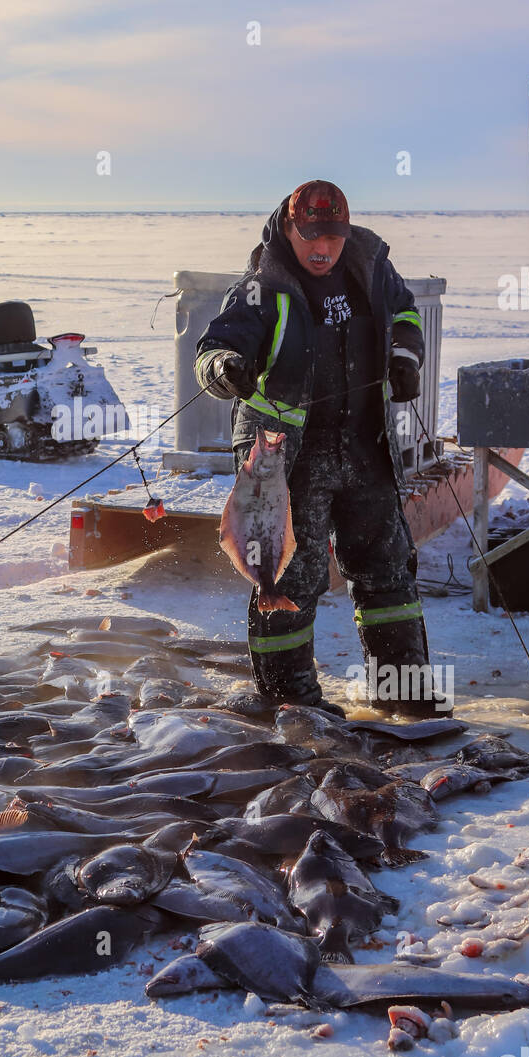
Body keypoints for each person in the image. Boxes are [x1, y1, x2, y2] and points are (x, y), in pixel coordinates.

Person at [195, 180, 443, 716]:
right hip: (283, 458)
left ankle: (405, 694)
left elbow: (403, 314)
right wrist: (223, 369)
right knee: (288, 574)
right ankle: (291, 702)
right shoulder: (263, 283)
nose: (322, 248)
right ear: (289, 228)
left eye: (332, 235)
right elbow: (217, 344)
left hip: (363, 445)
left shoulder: (372, 267)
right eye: (311, 235)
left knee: (386, 567)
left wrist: (405, 358)